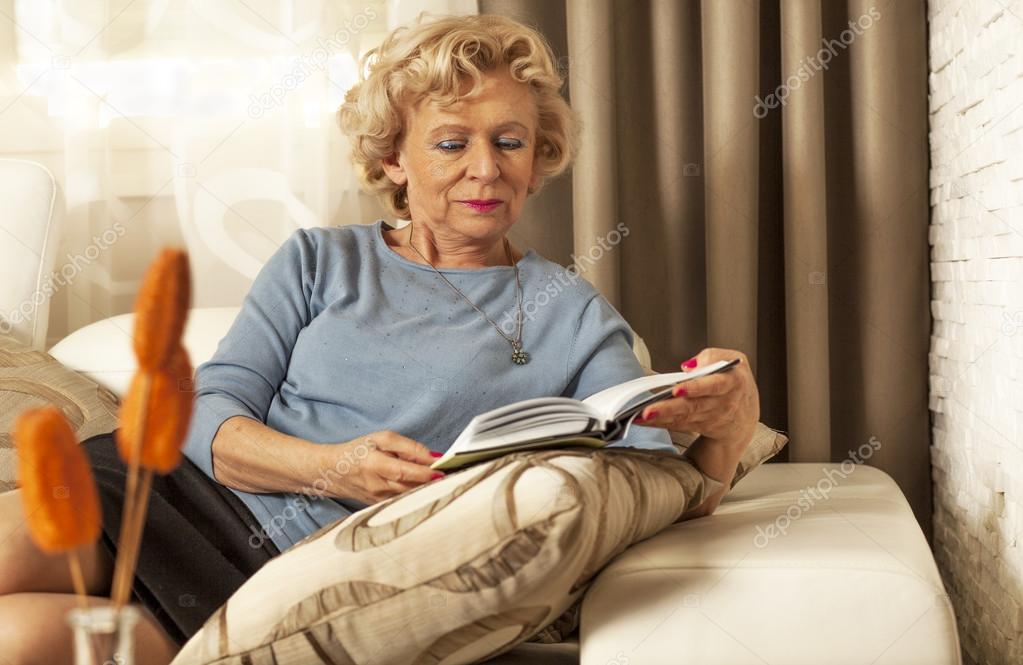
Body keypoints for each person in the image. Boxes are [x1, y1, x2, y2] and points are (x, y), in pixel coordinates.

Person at [0, 13, 760, 664]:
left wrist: (724, 431)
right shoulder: (318, 259)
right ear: (394, 158)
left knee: (22, 638)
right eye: (450, 144)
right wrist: (333, 465)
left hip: (286, 576)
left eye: (509, 141)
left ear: (538, 163)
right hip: (159, 490)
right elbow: (207, 409)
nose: (484, 169)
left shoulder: (572, 311)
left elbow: (649, 483)